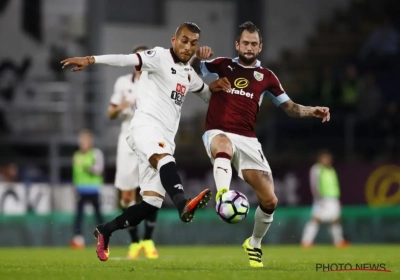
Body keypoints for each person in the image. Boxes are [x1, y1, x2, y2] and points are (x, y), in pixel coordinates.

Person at [61, 22, 215, 262]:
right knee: (164, 160)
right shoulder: (158, 57)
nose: (187, 47)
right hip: (144, 129)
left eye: (193, 43)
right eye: (183, 40)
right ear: (173, 40)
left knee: (151, 203)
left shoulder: (189, 74)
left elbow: (209, 95)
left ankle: (105, 230)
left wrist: (214, 74)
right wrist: (91, 60)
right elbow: (124, 59)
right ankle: (183, 204)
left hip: (164, 138)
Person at [191, 21, 330, 267]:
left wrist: (312, 111)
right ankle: (223, 195)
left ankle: (254, 243)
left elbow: (290, 108)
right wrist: (196, 55)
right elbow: (188, 69)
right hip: (218, 131)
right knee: (222, 144)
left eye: (254, 44)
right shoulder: (222, 64)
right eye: (245, 42)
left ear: (260, 47)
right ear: (237, 44)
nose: (249, 47)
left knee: (270, 201)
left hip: (248, 140)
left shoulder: (267, 77)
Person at [108, 44, 159, 259]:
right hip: (127, 140)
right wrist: (122, 106)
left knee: (152, 192)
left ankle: (147, 240)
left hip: (149, 140)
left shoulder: (156, 83)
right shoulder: (122, 83)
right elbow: (110, 113)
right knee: (127, 194)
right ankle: (135, 242)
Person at [301, 150, 349, 248]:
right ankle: (306, 241)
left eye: (329, 158)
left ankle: (338, 241)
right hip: (322, 199)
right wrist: (318, 198)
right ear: (320, 159)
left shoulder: (331, 170)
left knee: (335, 220)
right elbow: (314, 184)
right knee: (316, 219)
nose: (328, 160)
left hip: (333, 198)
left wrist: (337, 199)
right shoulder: (317, 169)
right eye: (325, 158)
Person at [71, 129, 104, 249]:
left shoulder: (96, 153)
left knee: (98, 215)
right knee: (79, 215)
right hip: (81, 189)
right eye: (81, 141)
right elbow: (75, 173)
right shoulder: (77, 155)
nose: (82, 143)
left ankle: (102, 237)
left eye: (85, 140)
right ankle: (78, 238)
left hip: (94, 189)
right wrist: (74, 187)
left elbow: (99, 169)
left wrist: (88, 167)